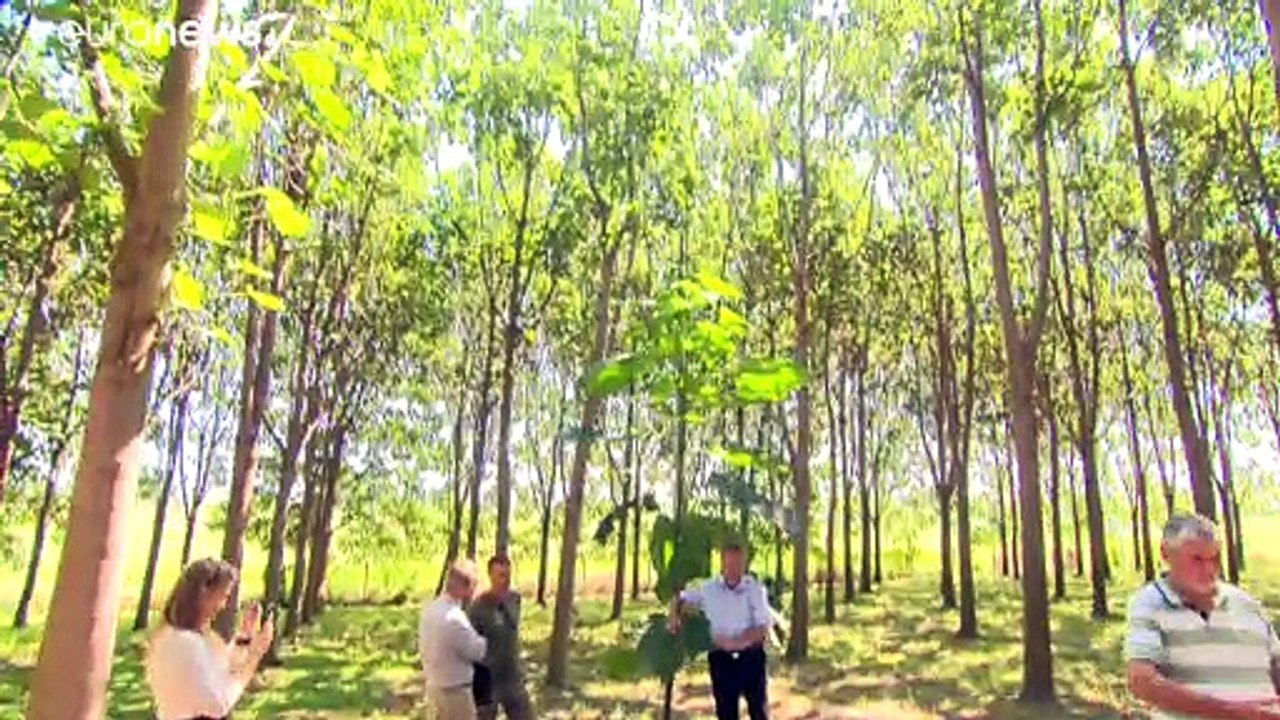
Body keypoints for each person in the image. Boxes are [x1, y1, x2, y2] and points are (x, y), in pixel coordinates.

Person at [1126, 514, 1280, 720]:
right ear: (1166, 553)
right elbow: (1142, 682)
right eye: (1196, 559)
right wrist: (1235, 712)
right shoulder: (1150, 603)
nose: (1208, 569)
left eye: (1214, 558)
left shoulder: (1246, 603)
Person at [145, 558, 275, 720]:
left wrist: (245, 636)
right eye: (223, 596)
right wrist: (255, 656)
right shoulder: (186, 643)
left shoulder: (177, 637)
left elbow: (224, 672)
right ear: (204, 594)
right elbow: (218, 705)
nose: (223, 605)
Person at [668, 541, 771, 720]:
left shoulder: (755, 590)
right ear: (722, 563)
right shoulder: (708, 589)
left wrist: (737, 643)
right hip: (721, 659)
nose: (734, 569)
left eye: (738, 564)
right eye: (730, 564)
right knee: (725, 712)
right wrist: (673, 615)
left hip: (751, 658)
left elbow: (762, 628)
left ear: (744, 564)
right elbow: (680, 598)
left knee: (758, 711)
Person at [467, 555, 533, 720]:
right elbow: (470, 645)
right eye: (501, 575)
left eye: (508, 575)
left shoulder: (515, 599)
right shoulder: (478, 606)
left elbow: (512, 629)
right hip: (488, 677)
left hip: (512, 674)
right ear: (490, 576)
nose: (506, 580)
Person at [420, 559, 488, 720]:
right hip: (455, 693)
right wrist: (486, 636)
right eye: (473, 585)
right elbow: (477, 652)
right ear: (465, 586)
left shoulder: (430, 609)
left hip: (434, 688)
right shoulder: (455, 619)